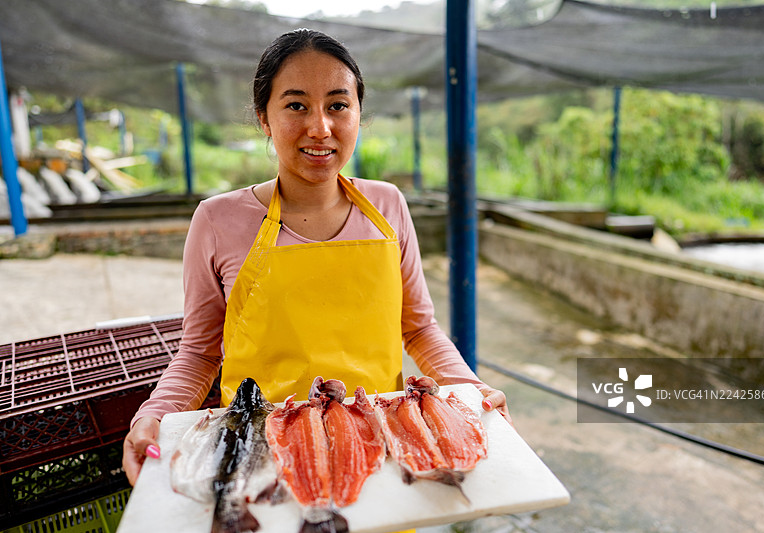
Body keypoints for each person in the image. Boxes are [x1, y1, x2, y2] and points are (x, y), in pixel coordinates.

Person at [122, 28, 510, 486]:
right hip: (261, 454)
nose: (320, 127)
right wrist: (153, 415)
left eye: (338, 105)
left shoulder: (388, 206)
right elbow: (200, 351)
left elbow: (419, 328)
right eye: (296, 105)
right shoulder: (217, 220)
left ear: (359, 115)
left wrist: (471, 389)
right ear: (264, 119)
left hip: (381, 445)